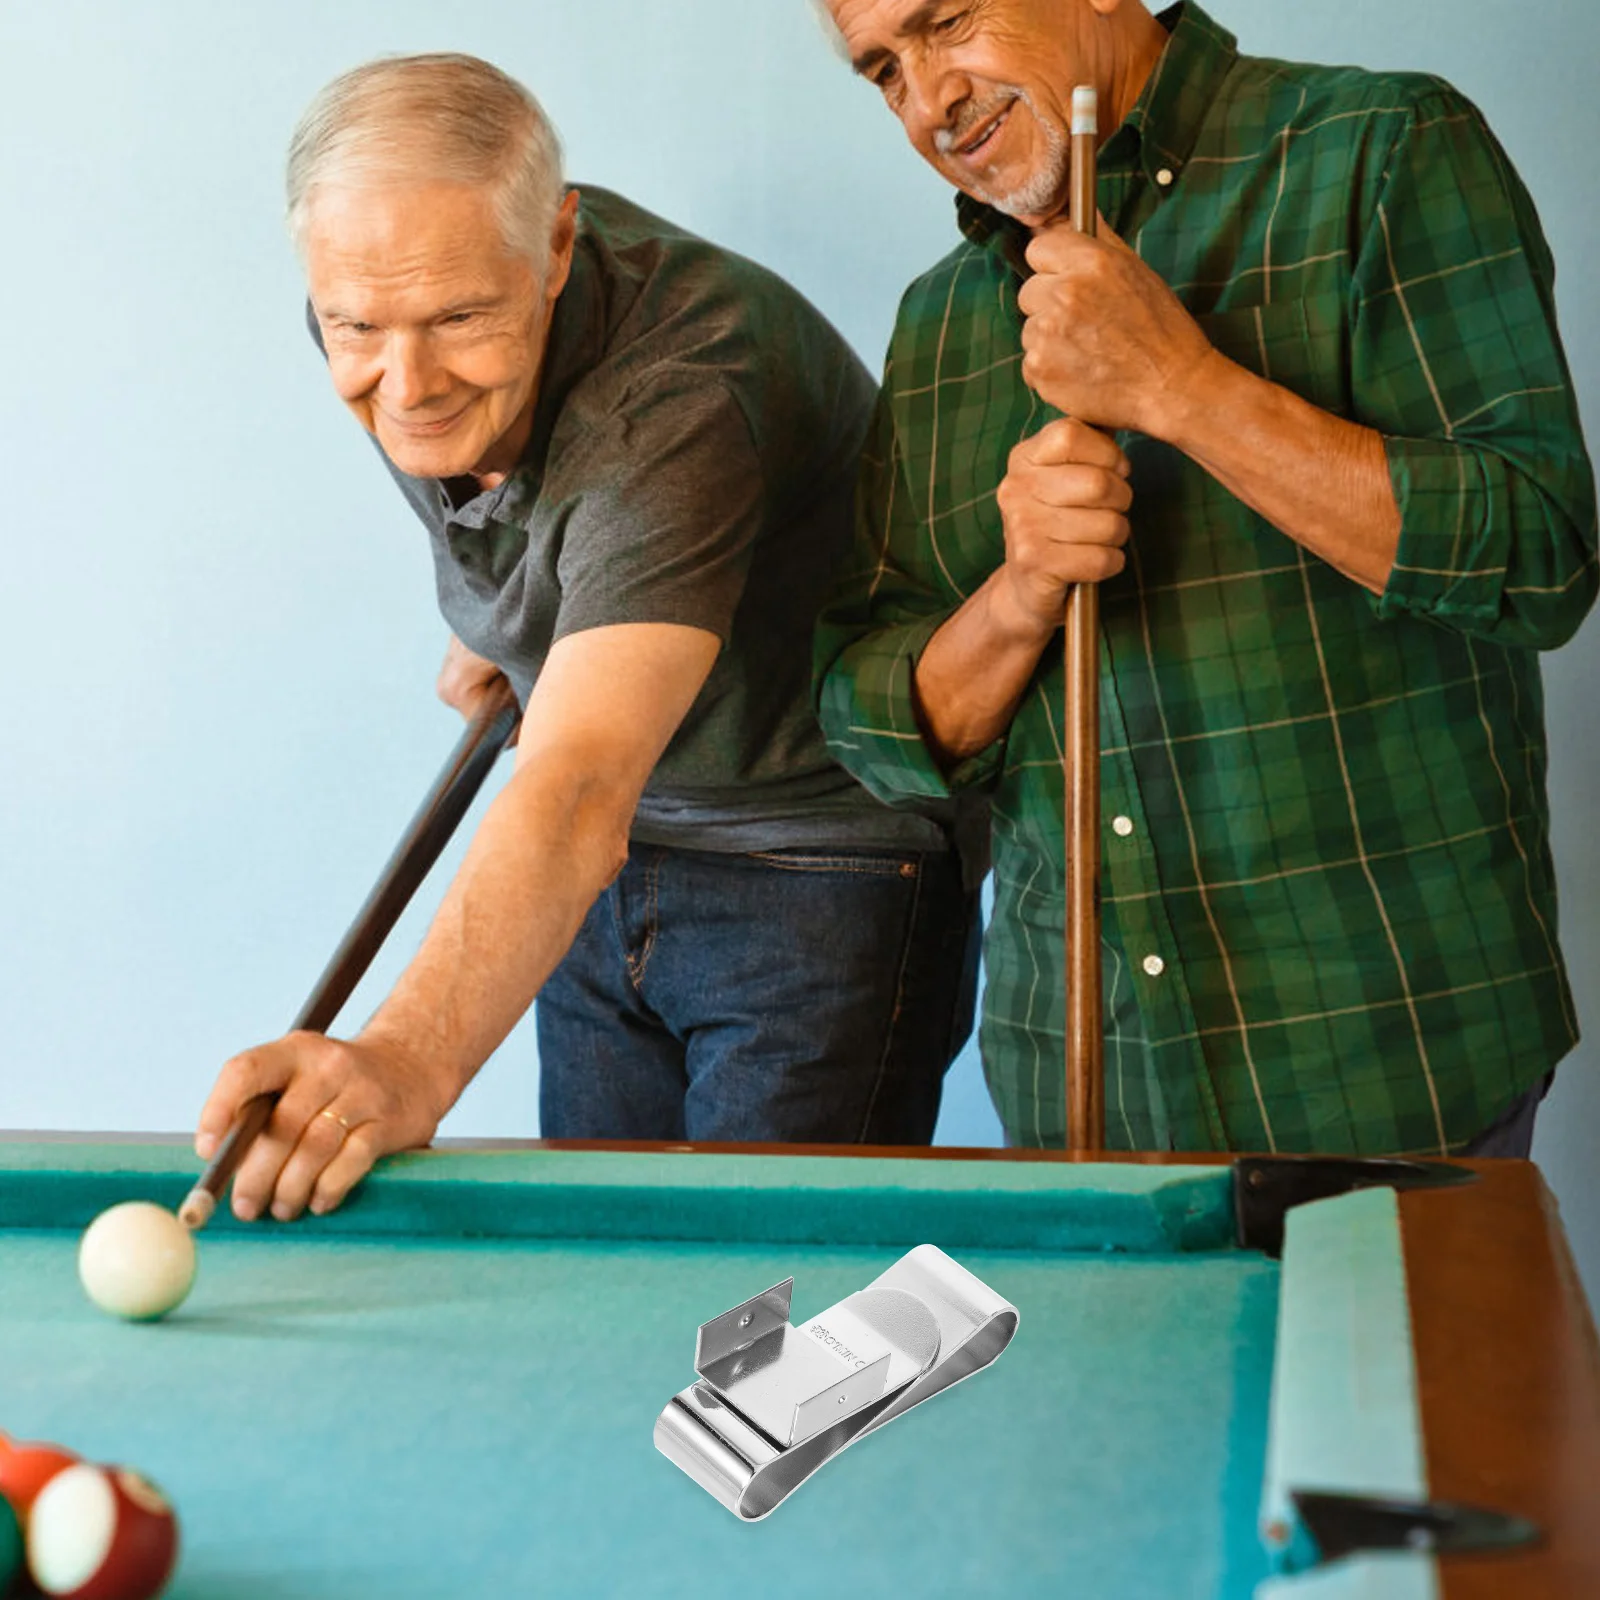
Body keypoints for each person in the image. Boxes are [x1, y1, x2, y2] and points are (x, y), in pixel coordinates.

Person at [195, 53, 979, 1221]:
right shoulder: (389, 304)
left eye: (458, 317)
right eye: (357, 323)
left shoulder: (680, 391)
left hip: (815, 867)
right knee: (605, 1285)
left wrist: (403, 1061)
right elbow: (475, 461)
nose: (404, 381)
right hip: (597, 881)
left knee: (765, 1331)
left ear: (558, 248)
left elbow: (574, 786)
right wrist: (531, 620)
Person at [814, 0, 1597, 1155]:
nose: (929, 100)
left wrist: (1185, 390)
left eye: (948, 22)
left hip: (1387, 1068)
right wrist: (1019, 593)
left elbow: (1542, 558)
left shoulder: (1376, 148)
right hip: (1077, 1091)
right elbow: (870, 718)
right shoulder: (939, 320)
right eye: (883, 69)